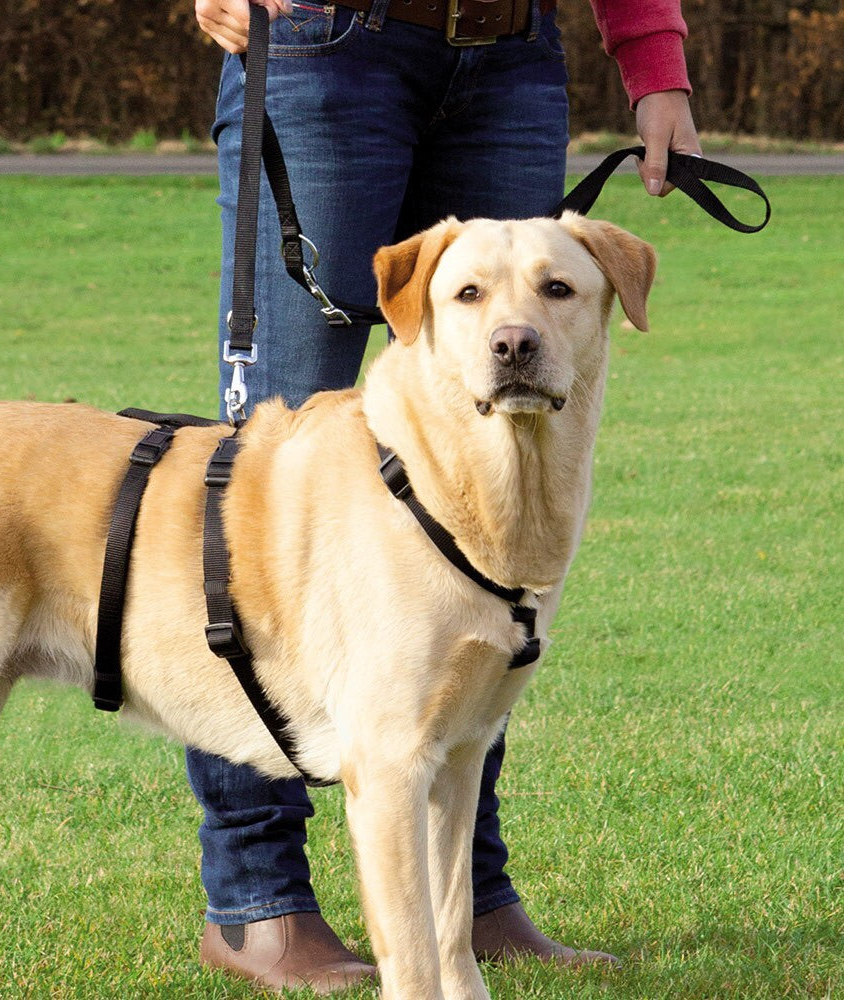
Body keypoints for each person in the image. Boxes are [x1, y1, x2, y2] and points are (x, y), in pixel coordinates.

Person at [190, 0, 702, 991]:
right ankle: (258, 897)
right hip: (321, 43)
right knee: (268, 487)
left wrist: (654, 58)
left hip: (507, 50)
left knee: (487, 516)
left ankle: (464, 896)